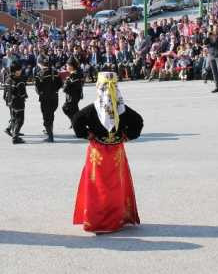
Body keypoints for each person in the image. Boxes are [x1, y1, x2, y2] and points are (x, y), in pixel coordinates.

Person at [72, 72, 143, 233]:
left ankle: (96, 220)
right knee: (115, 185)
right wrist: (127, 136)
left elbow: (76, 120)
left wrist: (87, 134)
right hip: (116, 151)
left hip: (97, 151)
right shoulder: (122, 109)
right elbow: (138, 121)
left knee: (97, 185)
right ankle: (115, 218)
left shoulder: (92, 109)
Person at [34, 55, 62, 142]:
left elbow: (37, 88)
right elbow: (60, 84)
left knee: (46, 116)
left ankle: (50, 136)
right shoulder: (55, 72)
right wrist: (55, 90)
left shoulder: (39, 74)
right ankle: (49, 131)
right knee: (51, 115)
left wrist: (41, 93)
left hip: (45, 98)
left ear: (39, 64)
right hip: (54, 97)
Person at [3, 61, 27, 144]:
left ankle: (11, 131)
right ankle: (15, 137)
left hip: (10, 102)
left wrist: (7, 100)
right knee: (20, 120)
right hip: (18, 102)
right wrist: (24, 97)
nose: (21, 71)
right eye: (19, 70)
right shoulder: (19, 81)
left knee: (14, 117)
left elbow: (4, 92)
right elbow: (23, 94)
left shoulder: (7, 79)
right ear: (15, 71)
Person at [61, 57, 84, 126]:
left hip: (72, 97)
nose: (66, 67)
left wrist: (66, 81)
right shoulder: (76, 73)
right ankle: (76, 122)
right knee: (75, 111)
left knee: (66, 108)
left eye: (67, 65)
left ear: (71, 66)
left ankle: (76, 122)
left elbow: (64, 89)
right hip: (75, 96)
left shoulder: (73, 76)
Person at [205, 26, 218, 93]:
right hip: (211, 55)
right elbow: (205, 42)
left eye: (217, 29)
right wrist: (207, 36)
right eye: (214, 29)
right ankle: (217, 87)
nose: (215, 30)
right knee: (214, 73)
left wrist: (213, 38)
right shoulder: (211, 36)